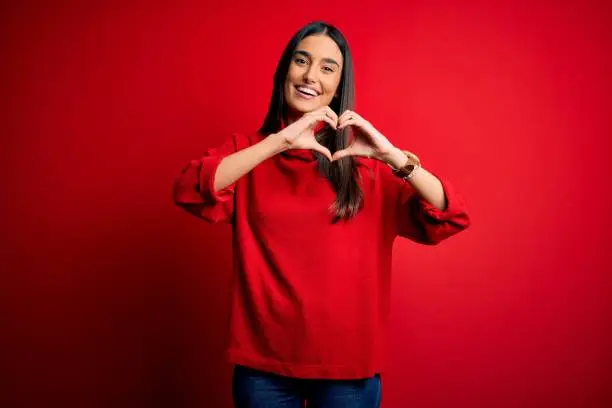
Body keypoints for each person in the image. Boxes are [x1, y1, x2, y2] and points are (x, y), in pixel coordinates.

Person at [173, 20, 470, 408]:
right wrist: (278, 142)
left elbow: (451, 215)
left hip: (348, 374)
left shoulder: (366, 168)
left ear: (339, 85)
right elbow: (191, 189)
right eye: (301, 60)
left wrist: (393, 157)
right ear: (285, 71)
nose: (311, 75)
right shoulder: (247, 154)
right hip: (264, 370)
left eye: (328, 67)